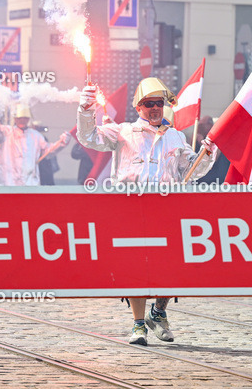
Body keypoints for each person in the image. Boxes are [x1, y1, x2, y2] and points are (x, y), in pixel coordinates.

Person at [78, 77, 216, 345]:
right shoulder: (123, 131)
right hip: (131, 208)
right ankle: (138, 324)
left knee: (174, 266)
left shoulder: (176, 136)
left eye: (159, 103)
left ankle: (159, 312)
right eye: (149, 103)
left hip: (168, 209)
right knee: (136, 266)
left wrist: (207, 155)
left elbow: (191, 171)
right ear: (138, 107)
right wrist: (85, 110)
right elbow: (89, 137)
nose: (155, 108)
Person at [0, 104, 69, 186]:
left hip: (29, 183)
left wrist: (62, 142)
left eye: (25, 118)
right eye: (19, 118)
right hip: (8, 181)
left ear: (28, 119)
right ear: (15, 118)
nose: (22, 120)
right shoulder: (6, 132)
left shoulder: (36, 135)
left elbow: (48, 151)